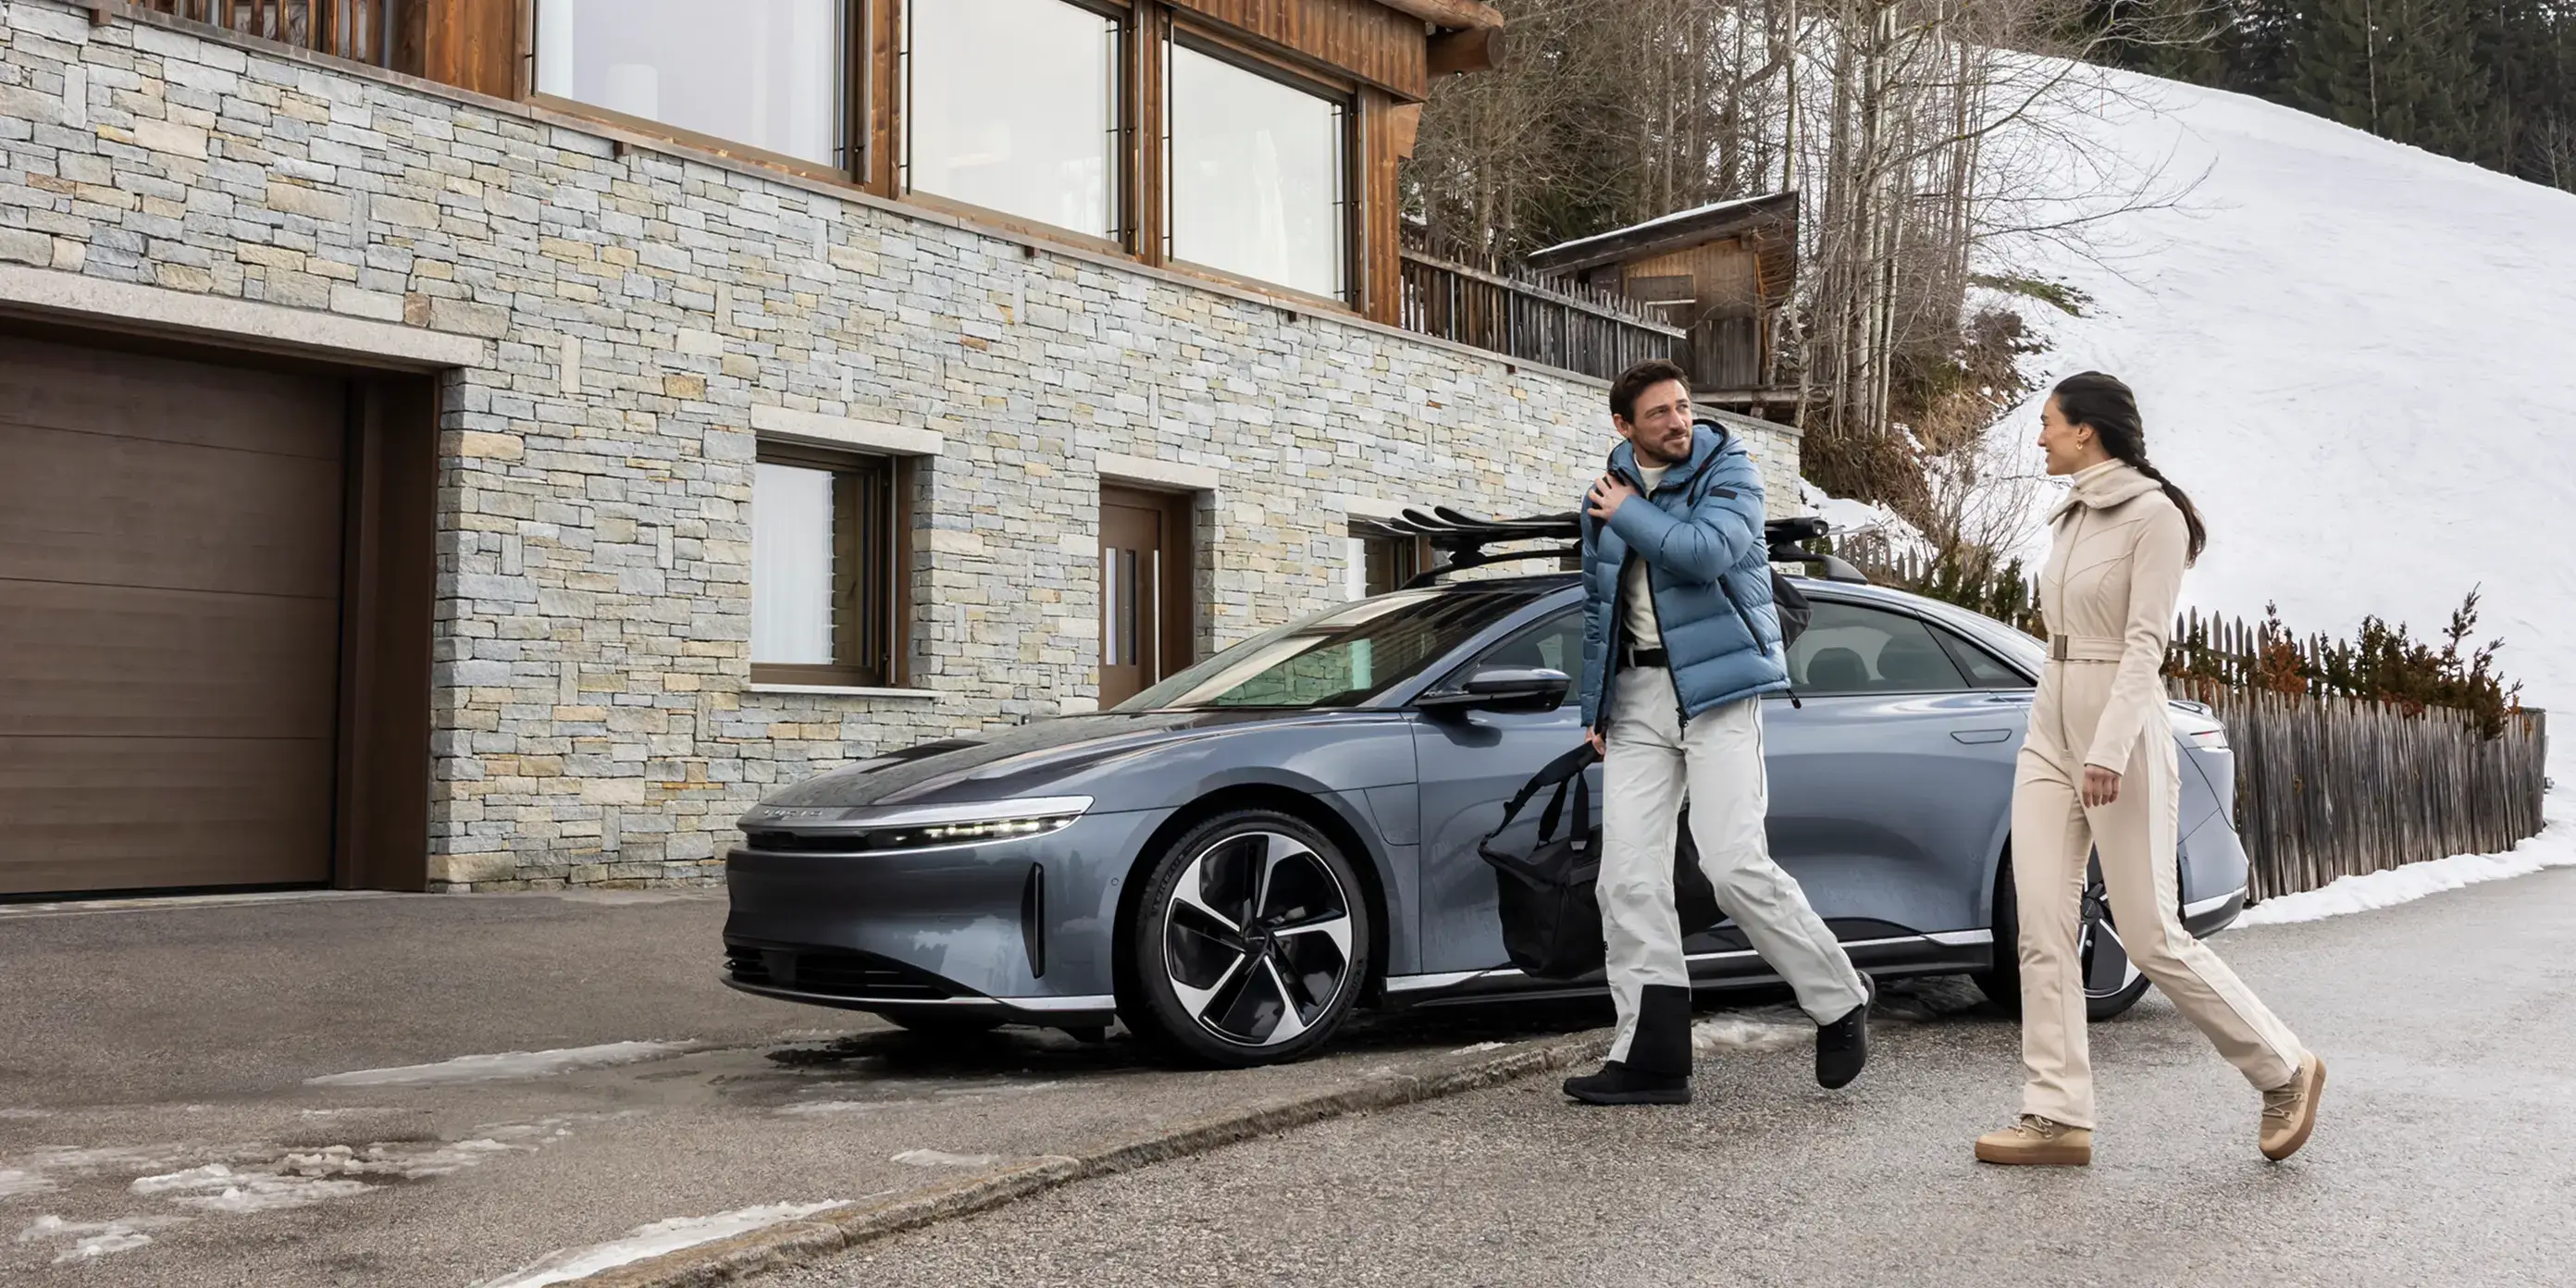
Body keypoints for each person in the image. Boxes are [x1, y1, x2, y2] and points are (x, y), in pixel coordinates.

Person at [1975, 372, 2325, 1166]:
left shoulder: (2154, 516)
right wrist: (2063, 734)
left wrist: (2107, 746)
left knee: (2149, 931)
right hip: (2050, 720)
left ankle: (2283, 1068)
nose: (2040, 439)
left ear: (2087, 432)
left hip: (2118, 728)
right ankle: (2056, 1114)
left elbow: (2144, 647)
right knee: (2041, 926)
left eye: (2048, 425)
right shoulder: (2070, 515)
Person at [1561, 359, 1874, 1107]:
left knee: (1733, 865)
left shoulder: (1731, 472)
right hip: (1634, 698)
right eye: (1660, 413)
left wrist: (1629, 512)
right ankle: (1652, 1055)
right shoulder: (1604, 495)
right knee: (1626, 879)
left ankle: (1839, 999)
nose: (1678, 422)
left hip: (1722, 692)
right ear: (1623, 426)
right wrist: (1593, 709)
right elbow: (1598, 608)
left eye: (1684, 406)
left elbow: (1704, 554)